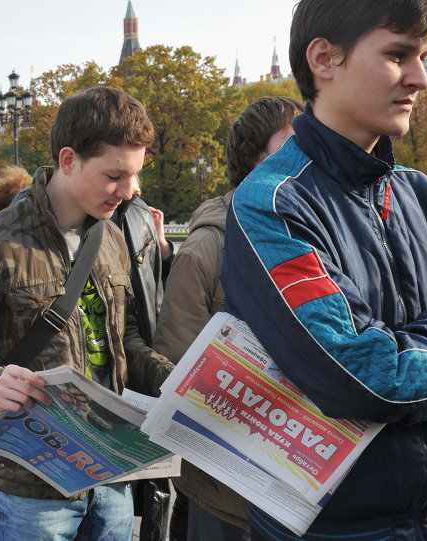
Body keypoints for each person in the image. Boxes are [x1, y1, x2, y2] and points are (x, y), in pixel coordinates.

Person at [222, 2, 427, 539]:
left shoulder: (424, 195)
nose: (421, 79)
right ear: (324, 59)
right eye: (397, 55)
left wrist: (401, 391)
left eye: (425, 56)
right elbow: (368, 379)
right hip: (327, 527)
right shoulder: (272, 203)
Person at [0, 86, 174, 540]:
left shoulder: (112, 236)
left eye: (135, 174)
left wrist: (175, 380)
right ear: (68, 160)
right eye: (115, 175)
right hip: (34, 485)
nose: (130, 190)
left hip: (112, 472)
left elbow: (124, 340)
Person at [154, 96, 302, 541]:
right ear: (255, 160)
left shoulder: (316, 233)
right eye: (292, 145)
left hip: (299, 483)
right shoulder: (206, 248)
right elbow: (177, 366)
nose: (307, 157)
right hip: (225, 489)